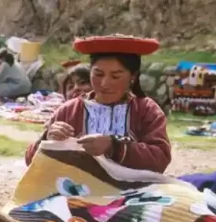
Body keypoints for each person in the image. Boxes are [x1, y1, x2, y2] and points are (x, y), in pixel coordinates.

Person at [24, 35, 171, 173]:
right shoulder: (69, 111)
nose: (105, 84)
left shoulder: (146, 110)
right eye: (98, 74)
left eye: (116, 76)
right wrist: (47, 140)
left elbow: (161, 158)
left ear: (133, 76)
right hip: (78, 192)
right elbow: (31, 160)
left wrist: (113, 147)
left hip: (134, 193)